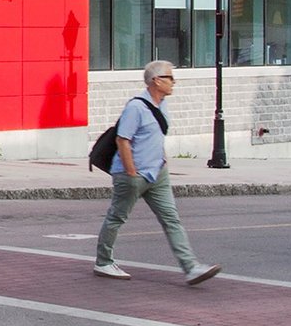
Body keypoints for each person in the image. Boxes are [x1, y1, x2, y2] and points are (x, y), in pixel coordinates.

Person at [94, 60, 222, 284]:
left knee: (171, 219)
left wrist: (162, 161)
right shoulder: (136, 107)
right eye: (169, 77)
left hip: (157, 174)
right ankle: (103, 262)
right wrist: (132, 174)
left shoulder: (162, 105)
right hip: (132, 175)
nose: (173, 82)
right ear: (156, 80)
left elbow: (156, 137)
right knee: (116, 217)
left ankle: (191, 267)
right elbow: (122, 140)